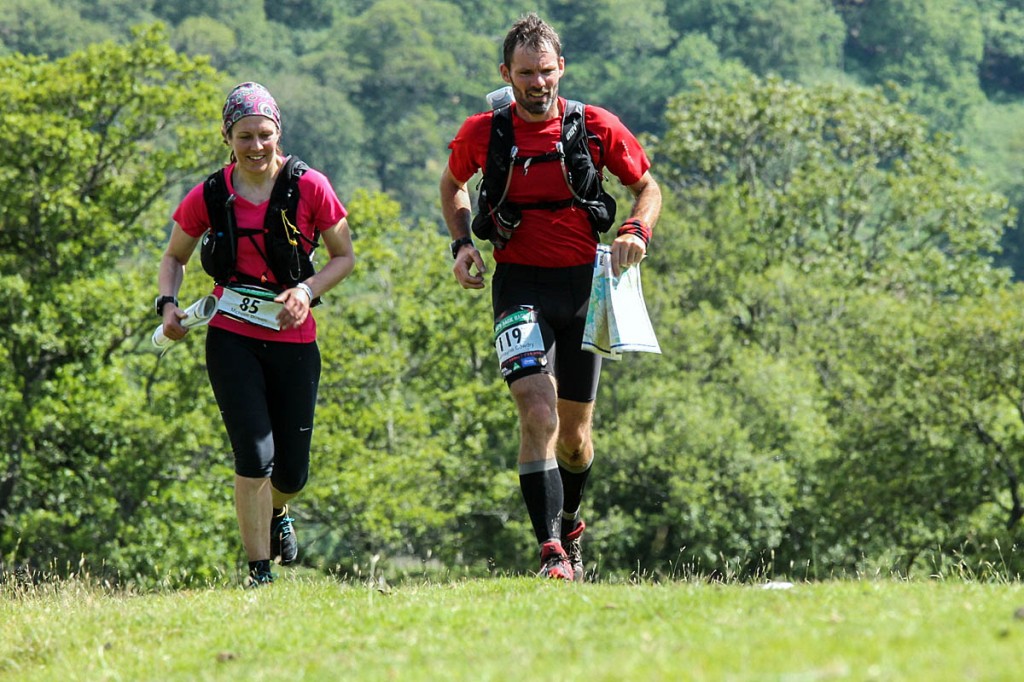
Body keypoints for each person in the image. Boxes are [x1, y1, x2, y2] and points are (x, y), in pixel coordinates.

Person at [439, 14, 662, 581]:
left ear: (561, 68)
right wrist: (462, 243)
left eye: (545, 72)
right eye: (524, 74)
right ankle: (551, 553)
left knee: (576, 439)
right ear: (505, 74)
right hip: (518, 285)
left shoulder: (594, 126)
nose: (537, 84)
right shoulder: (484, 131)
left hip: (586, 287)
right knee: (536, 412)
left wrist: (636, 230)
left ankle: (572, 521)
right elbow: (452, 183)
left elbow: (646, 189)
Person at [157, 82, 355, 587]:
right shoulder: (210, 193)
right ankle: (259, 573)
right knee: (254, 455)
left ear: (278, 133)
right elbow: (174, 257)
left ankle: (277, 511)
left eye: (264, 135)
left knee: (290, 475)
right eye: (244, 136)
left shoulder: (310, 187)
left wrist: (306, 292)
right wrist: (168, 305)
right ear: (228, 137)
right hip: (231, 337)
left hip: (295, 342)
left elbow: (344, 257)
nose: (255, 146)